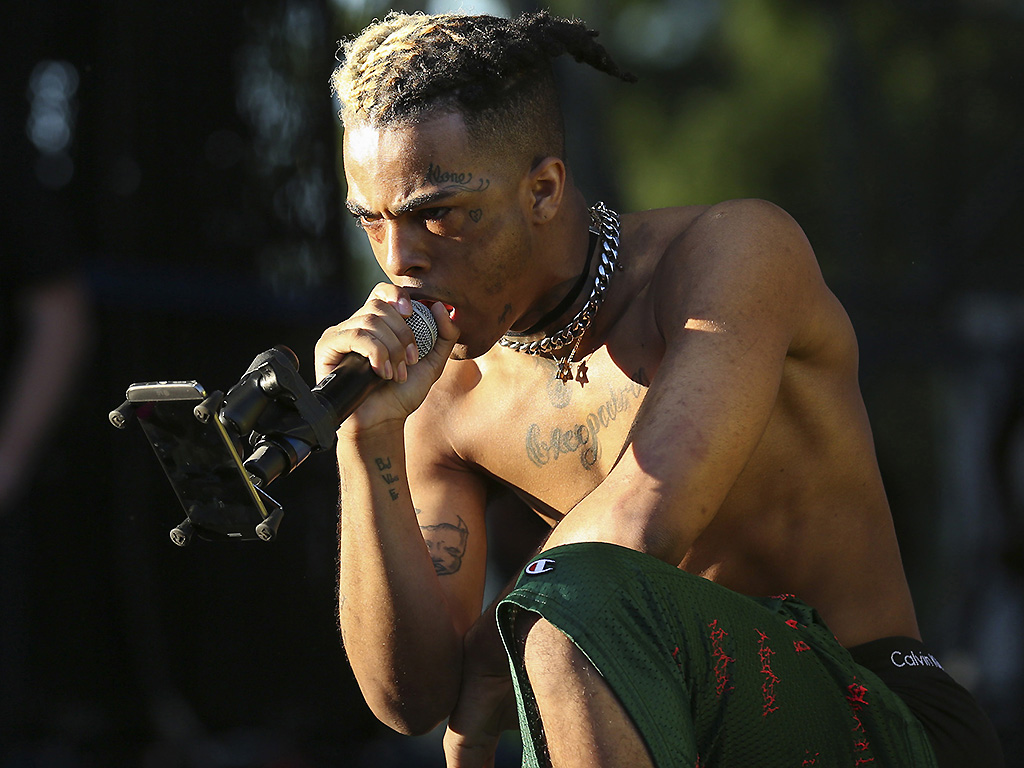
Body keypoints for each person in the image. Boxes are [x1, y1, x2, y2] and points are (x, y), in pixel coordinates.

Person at [317, 10, 1003, 767]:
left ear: (543, 190)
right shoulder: (443, 396)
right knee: (558, 617)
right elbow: (411, 700)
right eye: (371, 223)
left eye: (437, 214)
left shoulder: (733, 254)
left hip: (878, 715)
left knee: (564, 614)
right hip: (657, 731)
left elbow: (645, 528)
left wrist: (494, 661)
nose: (399, 261)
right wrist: (364, 436)